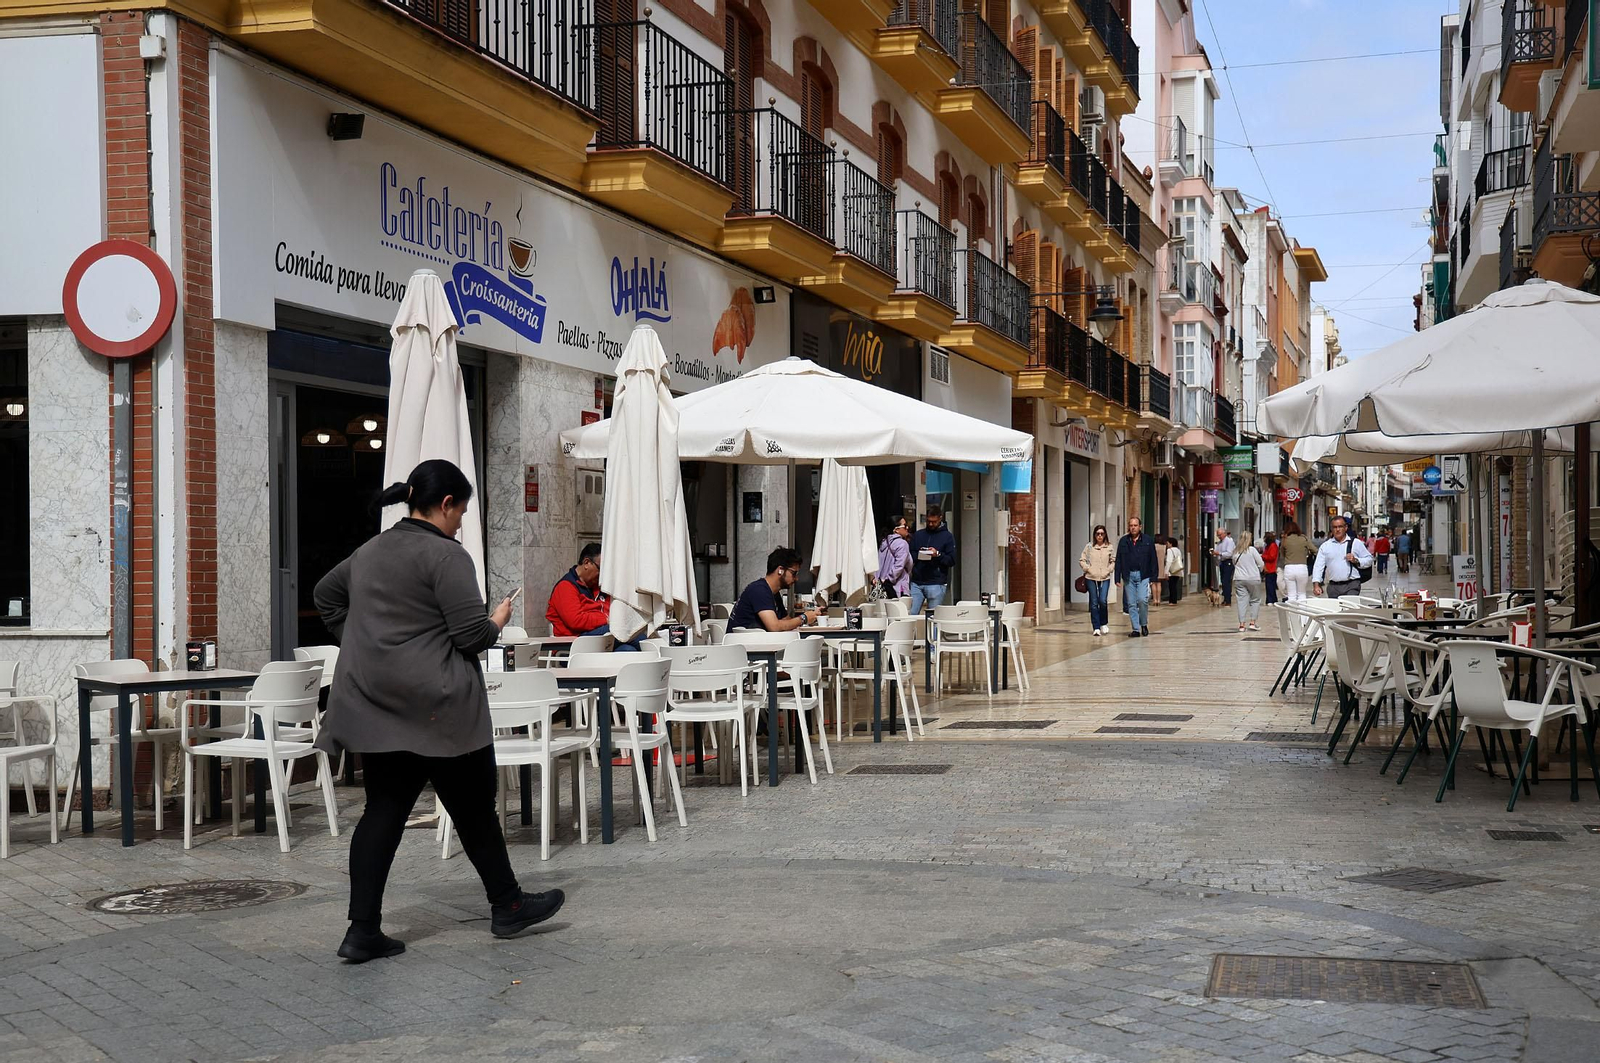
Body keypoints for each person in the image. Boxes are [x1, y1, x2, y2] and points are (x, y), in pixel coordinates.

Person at [314, 459, 564, 964]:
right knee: (474, 808)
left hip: (378, 705)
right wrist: (497, 619)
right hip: (440, 706)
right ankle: (508, 904)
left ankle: (363, 930)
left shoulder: (369, 551)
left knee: (382, 811)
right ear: (445, 504)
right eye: (462, 512)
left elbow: (325, 596)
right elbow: (469, 636)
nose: (461, 522)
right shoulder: (447, 557)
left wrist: (371, 645)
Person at [729, 548, 822, 631]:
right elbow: (774, 627)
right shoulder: (759, 590)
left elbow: (786, 621)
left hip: (757, 644)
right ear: (780, 570)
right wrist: (804, 618)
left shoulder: (773, 593)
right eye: (794, 573)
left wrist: (812, 616)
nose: (796, 579)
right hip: (742, 647)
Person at [1114, 516, 1158, 637]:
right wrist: (1117, 577)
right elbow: (1118, 560)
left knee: (1142, 600)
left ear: (1140, 527)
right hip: (1128, 575)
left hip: (1143, 575)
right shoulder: (1123, 541)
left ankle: (1143, 624)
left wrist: (1154, 577)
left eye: (1135, 525)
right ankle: (1135, 629)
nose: (1133, 528)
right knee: (1131, 604)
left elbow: (1153, 559)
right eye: (1131, 525)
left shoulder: (1147, 540)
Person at [1312, 514, 1373, 599]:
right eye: (1335, 527)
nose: (1337, 530)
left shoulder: (1356, 543)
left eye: (1340, 527)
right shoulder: (1325, 546)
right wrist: (1316, 584)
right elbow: (1318, 566)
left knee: (1349, 609)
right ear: (1331, 529)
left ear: (1346, 528)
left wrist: (1356, 560)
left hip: (1351, 585)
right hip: (1333, 586)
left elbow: (1369, 559)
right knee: (1336, 611)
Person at [909, 507, 957, 614]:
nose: (931, 524)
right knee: (911, 614)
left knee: (933, 618)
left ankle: (933, 632)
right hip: (917, 581)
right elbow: (910, 554)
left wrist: (938, 554)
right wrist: (919, 554)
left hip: (936, 582)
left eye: (934, 522)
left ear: (940, 519)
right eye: (929, 521)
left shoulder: (947, 537)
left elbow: (952, 560)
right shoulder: (918, 535)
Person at [1078, 524, 1114, 636]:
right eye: (1097, 534)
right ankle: (1096, 627)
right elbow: (1082, 560)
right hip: (1091, 577)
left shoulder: (1109, 547)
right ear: (1094, 535)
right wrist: (1087, 569)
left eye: (1102, 534)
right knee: (1094, 602)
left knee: (1102, 601)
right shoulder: (1089, 547)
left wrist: (1109, 570)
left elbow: (1113, 560)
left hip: (1105, 577)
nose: (1100, 536)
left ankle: (1104, 623)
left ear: (1105, 535)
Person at [1231, 531, 1266, 633]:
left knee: (1241, 601)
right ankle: (1252, 623)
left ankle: (1241, 625)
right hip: (1253, 578)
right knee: (1255, 600)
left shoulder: (1235, 551)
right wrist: (1258, 570)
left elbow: (1234, 563)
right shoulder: (1252, 550)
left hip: (1239, 578)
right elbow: (1261, 563)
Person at [1278, 520, 1314, 602]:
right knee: (1302, 594)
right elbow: (1314, 550)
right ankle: (1303, 614)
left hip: (1289, 568)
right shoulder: (1304, 538)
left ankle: (1292, 614)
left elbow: (1282, 554)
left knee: (1291, 595)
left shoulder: (1285, 540)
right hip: (1302, 567)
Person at [876, 517, 912, 598]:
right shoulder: (902, 544)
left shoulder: (883, 542)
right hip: (898, 586)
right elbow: (899, 565)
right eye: (905, 526)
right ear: (896, 530)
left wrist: (877, 579)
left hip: (881, 585)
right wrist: (890, 579)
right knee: (899, 609)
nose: (907, 528)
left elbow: (879, 563)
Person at [1212, 528, 1237, 605]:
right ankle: (1225, 599)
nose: (1219, 537)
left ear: (1224, 534)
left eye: (1220, 535)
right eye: (1218, 535)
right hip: (1222, 562)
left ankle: (1228, 600)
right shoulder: (1219, 543)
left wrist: (1219, 553)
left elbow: (1230, 553)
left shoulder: (1229, 542)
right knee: (1223, 581)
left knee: (1227, 581)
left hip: (1228, 562)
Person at [1165, 534, 1185, 606]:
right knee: (1175, 586)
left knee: (1171, 586)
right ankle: (1174, 600)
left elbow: (1169, 561)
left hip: (1172, 571)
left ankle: (1172, 601)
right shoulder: (1178, 550)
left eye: (1167, 543)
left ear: (1171, 543)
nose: (1167, 545)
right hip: (1178, 570)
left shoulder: (1170, 550)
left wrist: (1166, 571)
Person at [1261, 531, 1280, 605]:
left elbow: (1272, 557)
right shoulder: (1267, 546)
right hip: (1267, 567)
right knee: (1269, 585)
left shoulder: (1273, 546)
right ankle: (1272, 599)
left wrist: (1263, 556)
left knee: (1270, 585)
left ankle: (1271, 600)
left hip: (1271, 568)